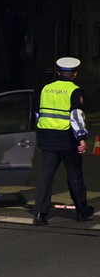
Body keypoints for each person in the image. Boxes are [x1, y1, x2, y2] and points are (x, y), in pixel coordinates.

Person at [32, 57, 94, 225]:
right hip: (67, 140)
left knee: (45, 176)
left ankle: (39, 214)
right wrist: (81, 138)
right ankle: (81, 211)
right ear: (74, 74)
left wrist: (41, 132)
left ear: (58, 72)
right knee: (75, 175)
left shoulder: (46, 89)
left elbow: (38, 114)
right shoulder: (75, 91)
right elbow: (76, 117)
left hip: (47, 139)